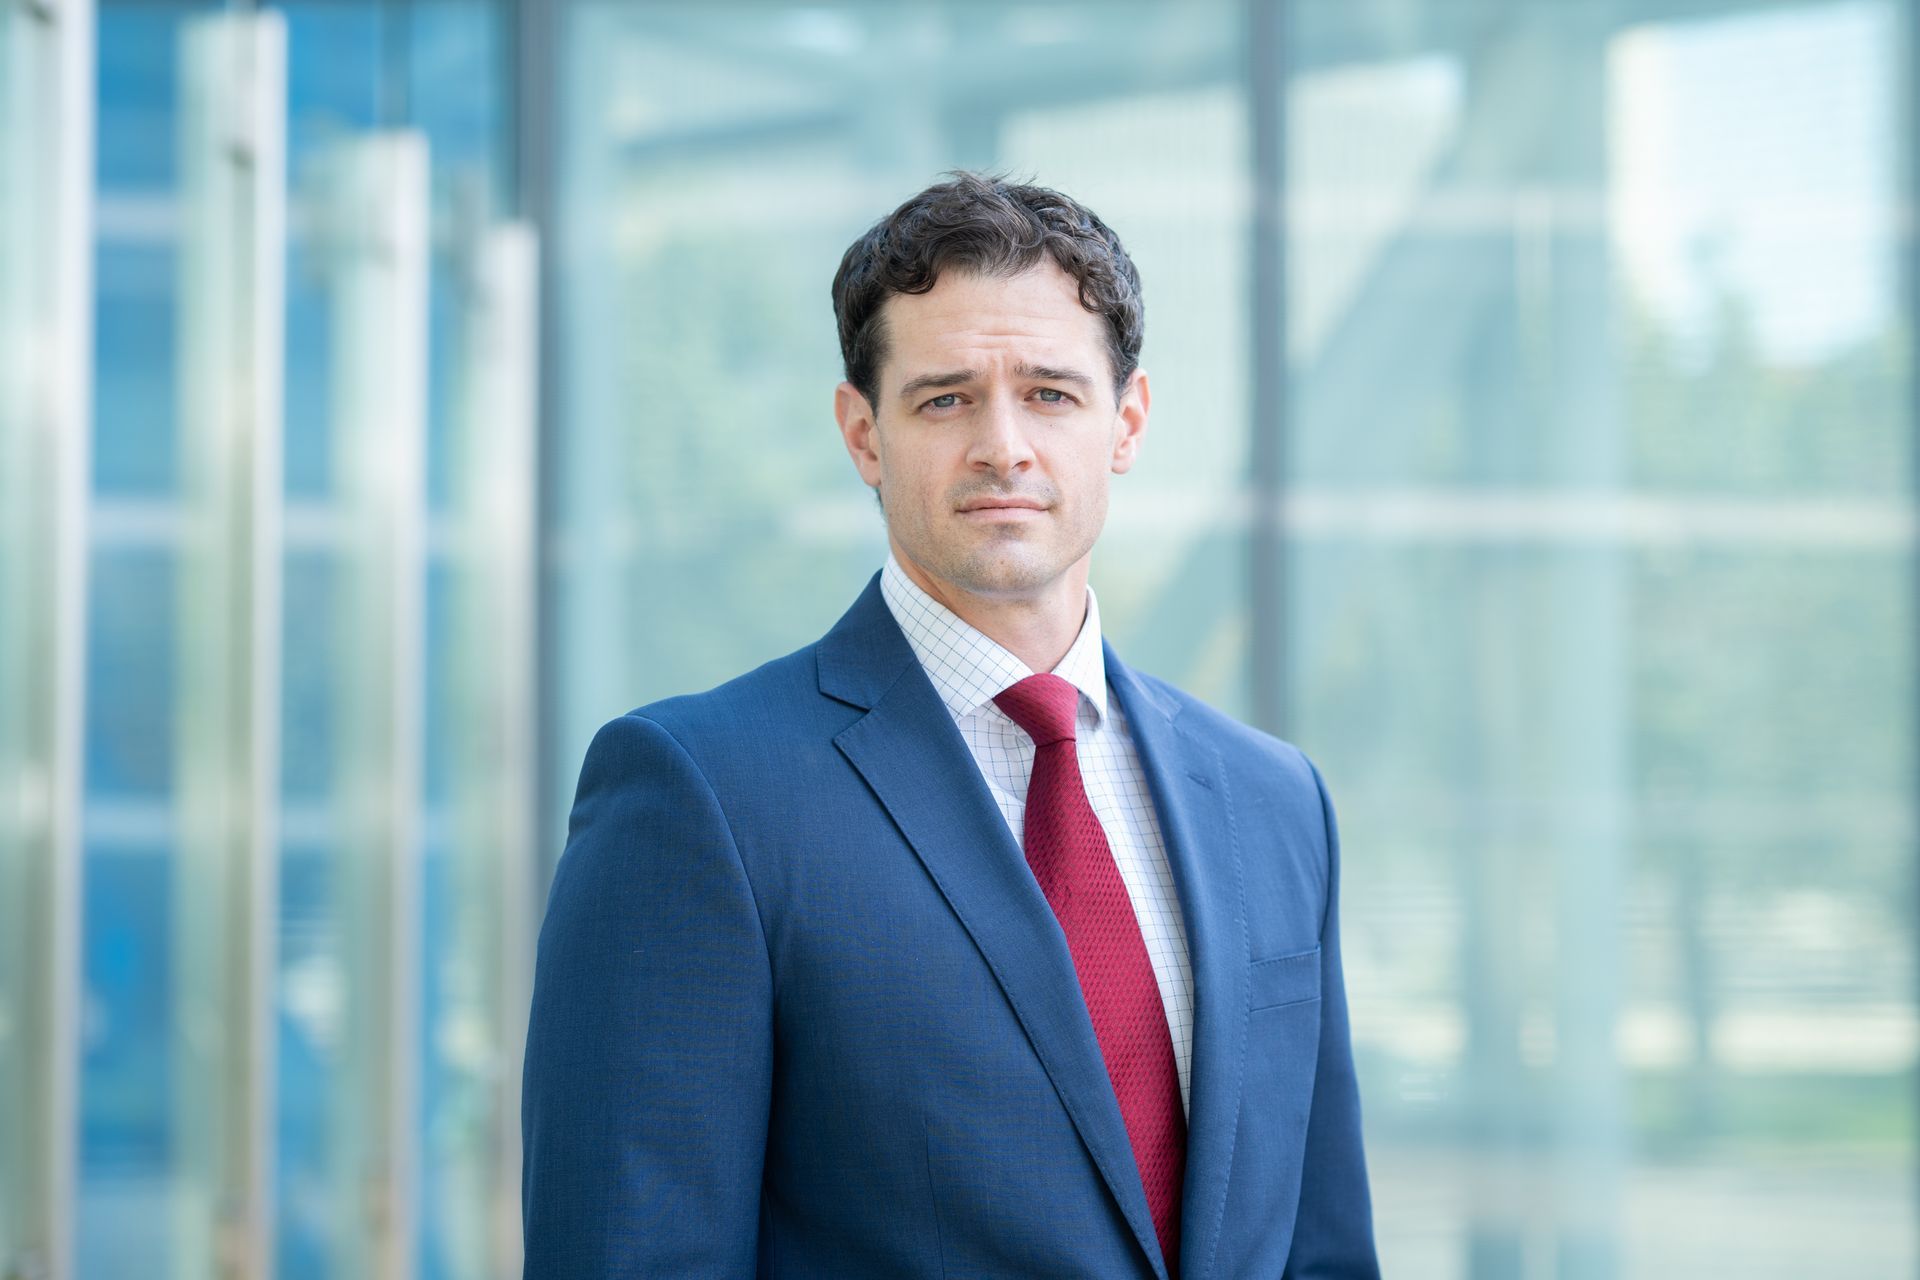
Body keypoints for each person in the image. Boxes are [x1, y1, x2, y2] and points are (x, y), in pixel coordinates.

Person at [521, 172, 1378, 1278]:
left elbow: (1321, 1248)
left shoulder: (1274, 801)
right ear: (863, 433)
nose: (1003, 444)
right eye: (945, 398)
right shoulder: (700, 796)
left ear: (1127, 421)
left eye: (1052, 394)